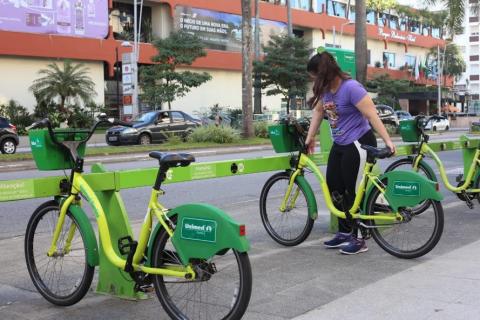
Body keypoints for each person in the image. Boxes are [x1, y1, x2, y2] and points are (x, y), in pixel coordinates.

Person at [305, 51, 396, 255]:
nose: (313, 81)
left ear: (324, 74)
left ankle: (360, 238)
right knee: (334, 187)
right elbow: (319, 112)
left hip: (358, 143)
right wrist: (310, 137)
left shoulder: (351, 88)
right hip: (340, 144)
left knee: (353, 191)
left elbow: (372, 114)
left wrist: (387, 140)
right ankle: (345, 232)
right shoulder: (326, 90)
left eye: (314, 77)